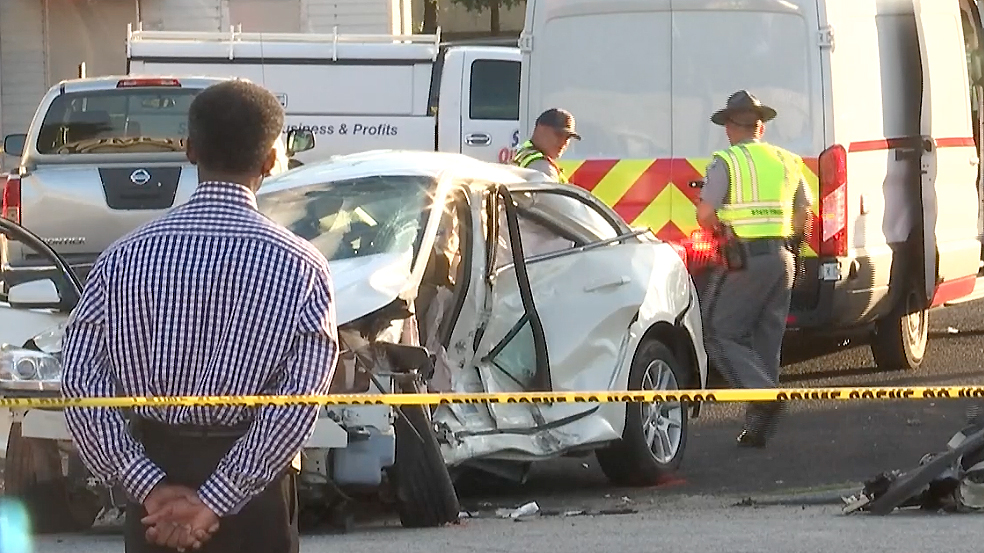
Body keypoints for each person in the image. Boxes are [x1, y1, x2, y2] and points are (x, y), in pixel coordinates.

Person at [60, 79, 339, 552]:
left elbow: (80, 381)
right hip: (255, 496)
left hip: (154, 491)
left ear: (190, 151)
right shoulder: (302, 266)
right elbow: (299, 401)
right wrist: (215, 499)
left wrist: (147, 486)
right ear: (271, 160)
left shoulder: (124, 257)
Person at [695, 90, 812, 449]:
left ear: (731, 127)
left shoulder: (726, 161)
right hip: (783, 259)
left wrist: (721, 233)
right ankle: (758, 430)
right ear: (761, 126)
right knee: (766, 343)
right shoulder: (788, 161)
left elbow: (704, 214)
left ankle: (765, 398)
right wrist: (796, 251)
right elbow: (803, 214)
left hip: (743, 259)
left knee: (717, 333)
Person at [513, 108, 581, 183]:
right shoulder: (542, 167)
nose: (563, 142)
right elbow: (553, 194)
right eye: (559, 134)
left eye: (567, 137)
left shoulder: (525, 152)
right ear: (540, 129)